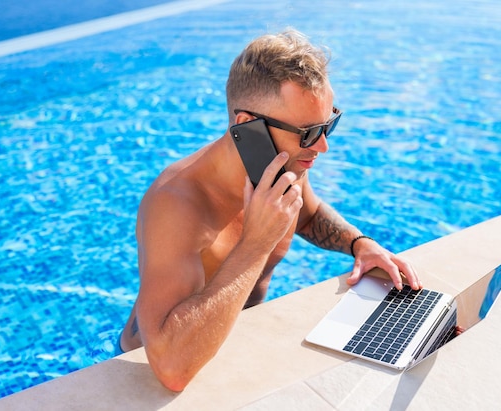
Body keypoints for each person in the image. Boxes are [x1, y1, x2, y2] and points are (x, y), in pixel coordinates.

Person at [117, 29, 422, 392]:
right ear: (248, 126)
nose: (322, 146)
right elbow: (170, 368)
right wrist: (256, 243)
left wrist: (359, 244)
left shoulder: (282, 167)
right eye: (308, 132)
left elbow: (307, 215)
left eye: (329, 125)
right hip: (139, 379)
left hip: (229, 350)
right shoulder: (178, 203)